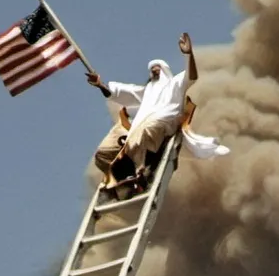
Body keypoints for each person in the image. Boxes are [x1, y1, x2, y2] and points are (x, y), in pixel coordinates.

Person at [88, 33, 227, 189]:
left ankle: (140, 172)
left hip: (164, 122)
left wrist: (188, 55)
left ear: (165, 71)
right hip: (140, 128)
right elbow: (119, 93)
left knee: (145, 130)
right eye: (151, 69)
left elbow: (192, 76)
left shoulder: (175, 84)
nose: (154, 71)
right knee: (105, 152)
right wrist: (100, 85)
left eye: (157, 68)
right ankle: (120, 181)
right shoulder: (147, 91)